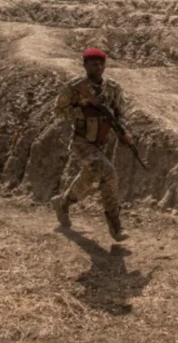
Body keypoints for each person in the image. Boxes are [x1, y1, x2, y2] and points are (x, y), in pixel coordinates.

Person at [50, 48, 131, 242]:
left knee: (88, 178)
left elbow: (120, 113)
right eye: (94, 63)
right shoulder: (75, 88)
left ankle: (63, 203)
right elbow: (58, 111)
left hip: (101, 141)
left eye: (101, 63)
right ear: (85, 65)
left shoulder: (112, 88)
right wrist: (83, 112)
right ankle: (115, 224)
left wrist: (123, 132)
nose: (99, 67)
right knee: (109, 175)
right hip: (82, 141)